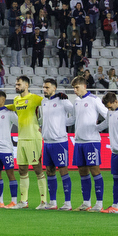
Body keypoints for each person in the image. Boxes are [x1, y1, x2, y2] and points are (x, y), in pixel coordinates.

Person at [69, 75, 107, 211]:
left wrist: (98, 128)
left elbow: (108, 115)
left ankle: (99, 203)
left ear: (84, 86)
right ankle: (86, 202)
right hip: (79, 142)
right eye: (74, 88)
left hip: (91, 141)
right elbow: (73, 119)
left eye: (77, 87)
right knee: (82, 172)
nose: (75, 90)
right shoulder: (76, 101)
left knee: (95, 171)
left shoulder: (94, 100)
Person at [38, 78, 73, 210]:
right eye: (43, 87)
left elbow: (76, 113)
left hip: (60, 142)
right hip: (47, 142)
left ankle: (68, 203)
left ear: (54, 88)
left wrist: (64, 123)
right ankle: (52, 202)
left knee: (63, 170)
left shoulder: (62, 100)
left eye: (47, 87)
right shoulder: (43, 102)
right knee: (49, 171)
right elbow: (43, 119)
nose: (44, 90)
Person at [9, 75, 44, 207]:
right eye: (16, 84)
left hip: (33, 137)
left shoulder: (34, 98)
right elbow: (12, 107)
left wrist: (42, 124)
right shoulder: (16, 100)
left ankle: (44, 201)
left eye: (19, 84)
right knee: (22, 169)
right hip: (21, 138)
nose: (16, 86)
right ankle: (24, 201)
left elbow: (47, 104)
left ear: (26, 85)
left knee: (37, 168)